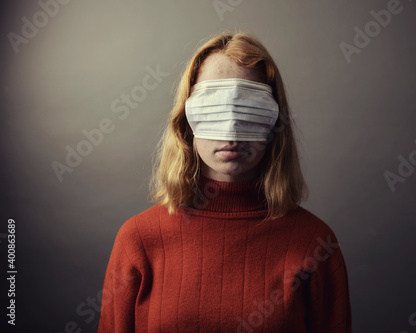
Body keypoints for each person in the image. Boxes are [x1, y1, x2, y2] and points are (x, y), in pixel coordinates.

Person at [97, 31, 352, 333]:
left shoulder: (314, 243)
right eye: (214, 104)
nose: (231, 128)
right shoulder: (138, 240)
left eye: (250, 105)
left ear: (274, 122)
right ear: (186, 121)